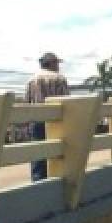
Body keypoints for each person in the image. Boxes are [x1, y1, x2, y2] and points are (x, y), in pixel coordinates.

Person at [25, 52, 70, 181]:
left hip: (37, 120)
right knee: (58, 154)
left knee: (38, 154)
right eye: (56, 63)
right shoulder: (59, 78)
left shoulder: (32, 79)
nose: (58, 66)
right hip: (56, 121)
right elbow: (67, 102)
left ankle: (38, 184)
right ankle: (57, 182)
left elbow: (27, 102)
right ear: (51, 63)